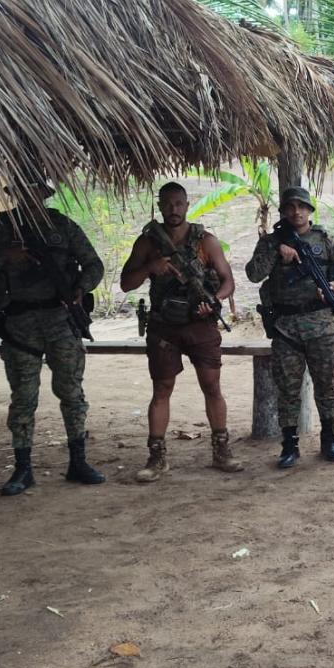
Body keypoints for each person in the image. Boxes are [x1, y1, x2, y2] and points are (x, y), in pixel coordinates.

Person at [0, 180, 105, 493]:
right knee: (23, 399)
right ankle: (23, 469)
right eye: (24, 192)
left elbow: (94, 265)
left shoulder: (62, 226)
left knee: (71, 393)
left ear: (43, 195)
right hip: (19, 324)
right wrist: (5, 256)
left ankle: (78, 461)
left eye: (36, 193)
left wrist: (80, 290)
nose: (31, 199)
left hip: (60, 319)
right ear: (16, 195)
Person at [120, 181, 242, 480]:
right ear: (159, 206)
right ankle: (157, 458)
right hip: (164, 327)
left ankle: (221, 451)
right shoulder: (148, 243)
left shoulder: (206, 241)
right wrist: (152, 266)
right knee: (161, 389)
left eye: (178, 203)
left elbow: (228, 281)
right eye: (167, 204)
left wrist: (214, 300)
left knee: (212, 387)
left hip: (201, 325)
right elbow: (126, 283)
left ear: (187, 205)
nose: (173, 209)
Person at [245, 187, 334, 468]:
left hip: (320, 325)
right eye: (290, 207)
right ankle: (289, 444)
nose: (296, 212)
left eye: (302, 207)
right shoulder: (271, 242)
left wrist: (333, 286)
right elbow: (253, 274)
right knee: (288, 389)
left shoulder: (325, 239)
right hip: (286, 328)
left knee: (325, 385)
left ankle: (329, 439)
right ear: (283, 211)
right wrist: (276, 248)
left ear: (310, 210)